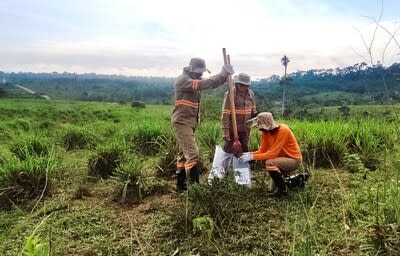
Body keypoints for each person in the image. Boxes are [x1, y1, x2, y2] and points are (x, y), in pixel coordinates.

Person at [172, 57, 234, 191]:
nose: (201, 74)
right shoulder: (183, 80)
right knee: (193, 154)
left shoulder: (194, 79)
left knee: (184, 154)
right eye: (198, 72)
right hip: (182, 122)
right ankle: (196, 190)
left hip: (190, 122)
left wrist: (224, 77)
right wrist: (222, 74)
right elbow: (203, 84)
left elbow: (210, 84)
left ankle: (180, 185)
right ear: (191, 70)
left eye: (202, 72)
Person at [239, 112, 303, 197]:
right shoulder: (266, 134)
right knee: (271, 190)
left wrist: (251, 157)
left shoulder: (283, 130)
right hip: (280, 160)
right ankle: (297, 180)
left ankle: (283, 191)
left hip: (293, 160)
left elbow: (272, 154)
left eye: (261, 127)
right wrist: (249, 154)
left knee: (269, 162)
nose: (260, 129)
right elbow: (262, 151)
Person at [221, 73, 257, 154]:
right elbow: (225, 114)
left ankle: (242, 166)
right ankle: (225, 165)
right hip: (233, 129)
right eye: (242, 85)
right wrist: (226, 132)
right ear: (237, 84)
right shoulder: (230, 94)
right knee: (229, 150)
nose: (244, 87)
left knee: (244, 149)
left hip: (245, 129)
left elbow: (253, 110)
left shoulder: (251, 94)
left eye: (246, 85)